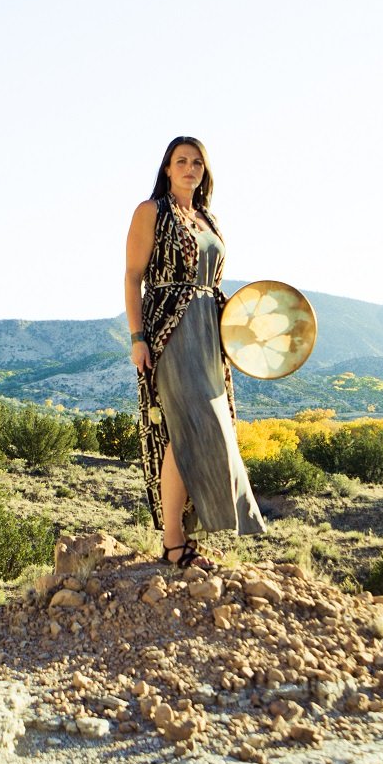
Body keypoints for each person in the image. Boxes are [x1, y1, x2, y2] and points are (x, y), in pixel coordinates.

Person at [124, 136, 267, 570]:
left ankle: (186, 534)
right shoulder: (151, 212)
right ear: (167, 168)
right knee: (184, 432)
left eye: (197, 162)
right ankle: (172, 542)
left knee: (212, 431)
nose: (189, 168)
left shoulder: (207, 219)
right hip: (169, 328)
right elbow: (132, 277)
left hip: (209, 332)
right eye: (180, 161)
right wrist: (137, 338)